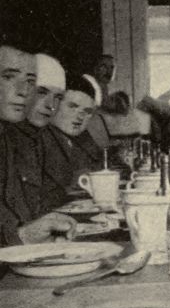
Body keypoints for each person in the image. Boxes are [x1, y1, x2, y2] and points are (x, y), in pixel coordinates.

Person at [0, 44, 75, 245]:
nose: (23, 91)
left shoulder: (8, 137)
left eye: (30, 82)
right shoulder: (13, 136)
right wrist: (23, 236)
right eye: (8, 77)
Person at [40, 73, 104, 211]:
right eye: (72, 106)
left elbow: (101, 166)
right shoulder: (39, 137)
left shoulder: (82, 136)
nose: (80, 116)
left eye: (87, 111)